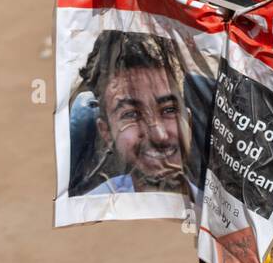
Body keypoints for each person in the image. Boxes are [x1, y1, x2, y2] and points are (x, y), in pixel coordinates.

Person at [75, 31, 194, 197]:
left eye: (169, 110)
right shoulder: (90, 212)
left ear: (188, 120)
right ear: (107, 133)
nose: (159, 136)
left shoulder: (223, 215)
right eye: (132, 115)